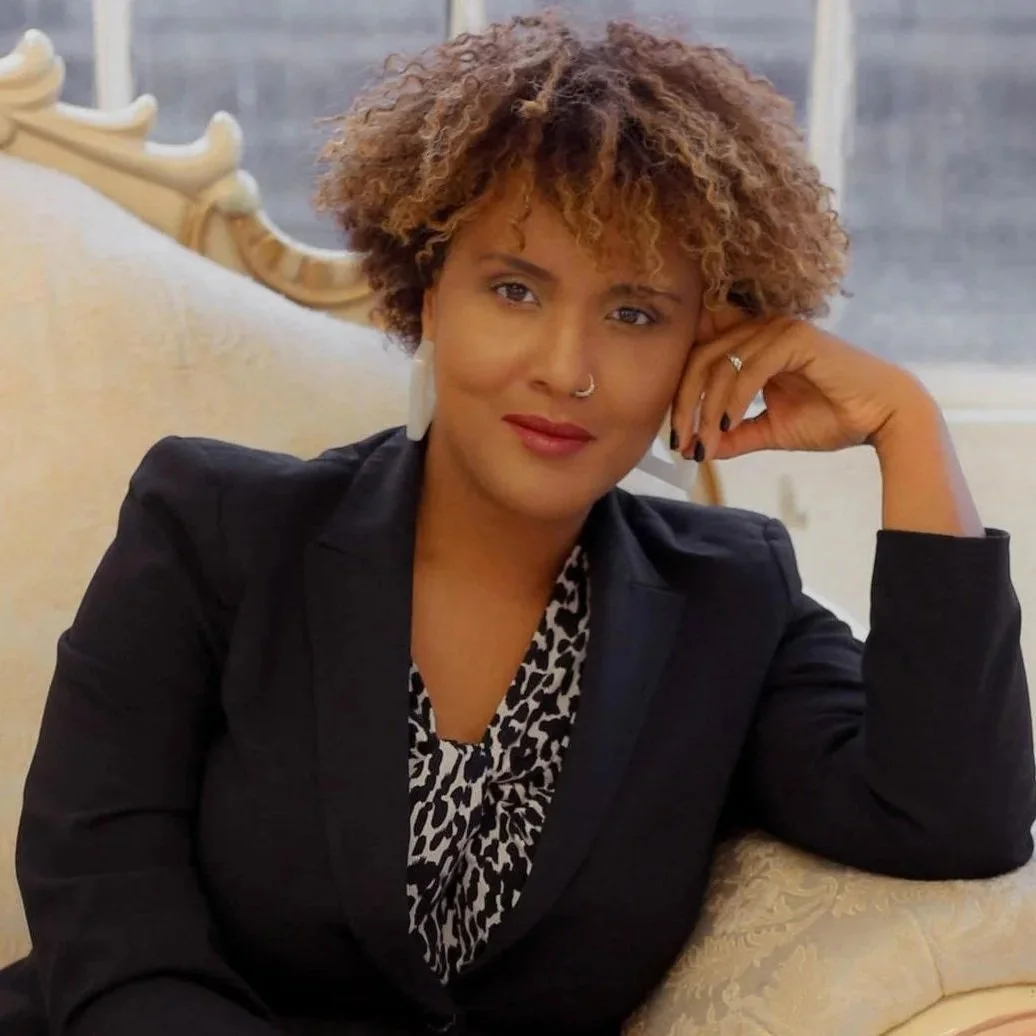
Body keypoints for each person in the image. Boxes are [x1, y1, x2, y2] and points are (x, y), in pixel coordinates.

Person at [1, 11, 1034, 1036]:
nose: (565, 367)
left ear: (705, 341)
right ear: (426, 289)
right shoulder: (212, 528)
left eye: (633, 314)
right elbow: (102, 891)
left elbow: (951, 817)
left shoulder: (730, 599)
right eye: (513, 289)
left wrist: (908, 431)